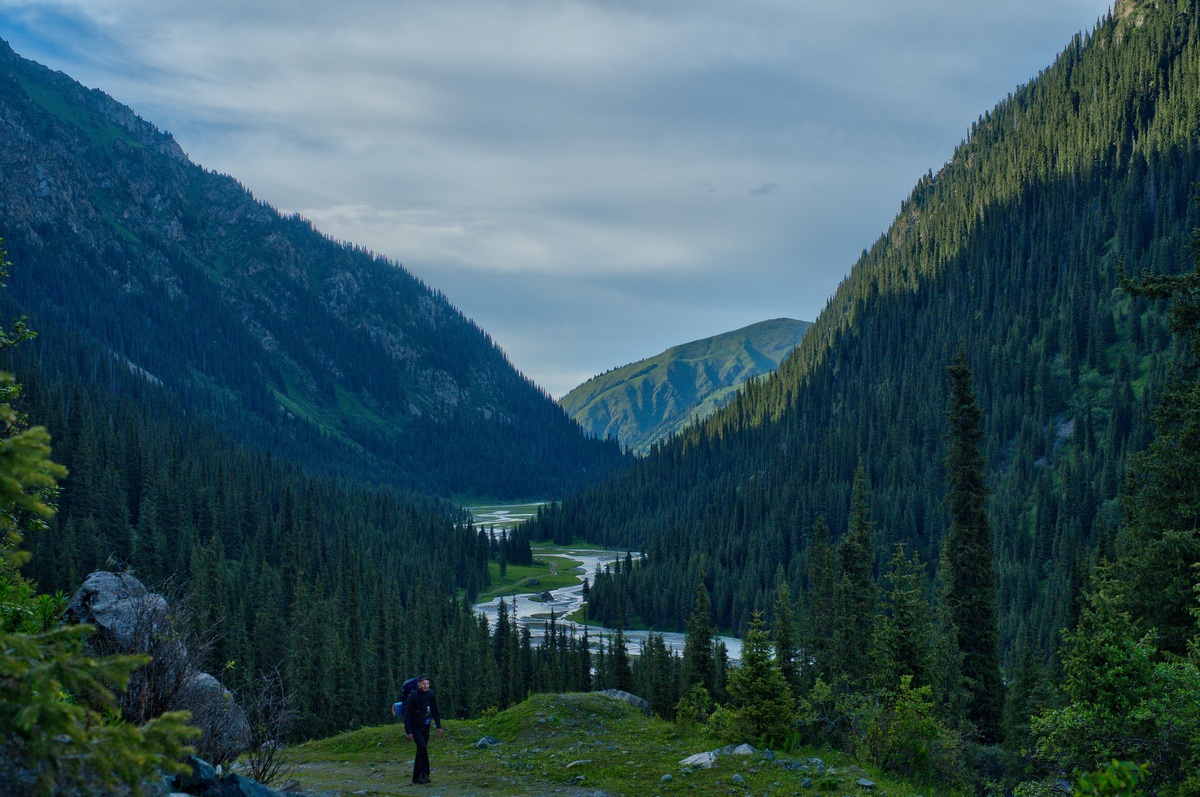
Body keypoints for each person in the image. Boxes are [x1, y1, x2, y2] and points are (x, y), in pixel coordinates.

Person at [403, 674, 443, 785]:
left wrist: (438, 726)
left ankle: (415, 778)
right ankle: (426, 774)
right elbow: (407, 715)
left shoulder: (430, 695)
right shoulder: (413, 696)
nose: (425, 686)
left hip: (426, 727)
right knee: (422, 747)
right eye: (423, 684)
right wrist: (408, 731)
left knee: (420, 751)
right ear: (418, 684)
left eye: (427, 684)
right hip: (415, 728)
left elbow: (435, 711)